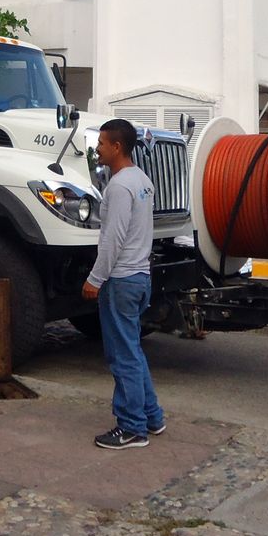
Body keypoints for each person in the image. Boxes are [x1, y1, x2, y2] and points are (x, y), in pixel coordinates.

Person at [81, 118, 164, 450]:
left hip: (121, 279)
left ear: (117, 147)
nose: (97, 149)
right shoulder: (142, 181)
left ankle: (132, 428)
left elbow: (112, 240)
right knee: (133, 351)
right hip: (141, 275)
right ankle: (152, 416)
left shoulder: (118, 187)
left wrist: (94, 279)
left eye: (101, 144)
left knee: (122, 356)